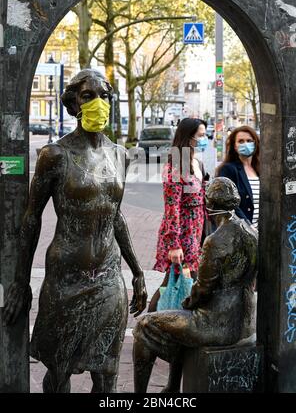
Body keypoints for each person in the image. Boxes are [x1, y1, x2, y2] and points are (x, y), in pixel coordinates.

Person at [3, 69, 147, 393]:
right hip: (65, 280)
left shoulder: (119, 155)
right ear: (75, 104)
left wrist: (137, 271)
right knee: (59, 374)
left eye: (104, 96)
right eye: (88, 96)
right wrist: (20, 282)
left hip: (109, 279)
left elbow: (116, 215)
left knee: (107, 376)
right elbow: (30, 219)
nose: (98, 102)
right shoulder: (55, 155)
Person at [133, 177, 258, 393]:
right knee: (178, 323)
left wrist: (188, 301)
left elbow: (203, 289)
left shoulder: (215, 241)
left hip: (217, 324)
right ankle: (172, 387)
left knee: (145, 325)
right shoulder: (252, 232)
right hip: (244, 321)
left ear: (208, 205)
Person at [148, 118, 209, 312]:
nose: (204, 139)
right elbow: (171, 206)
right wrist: (174, 243)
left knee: (181, 281)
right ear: (188, 136)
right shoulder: (175, 165)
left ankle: (165, 321)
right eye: (200, 135)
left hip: (197, 231)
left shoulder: (197, 162)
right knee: (177, 281)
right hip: (182, 233)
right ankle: (151, 321)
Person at [216, 125, 260, 230]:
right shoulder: (228, 169)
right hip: (240, 232)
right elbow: (228, 204)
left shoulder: (261, 169)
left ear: (255, 143)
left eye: (249, 140)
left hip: (261, 233)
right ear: (234, 146)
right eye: (241, 141)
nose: (246, 144)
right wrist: (247, 226)